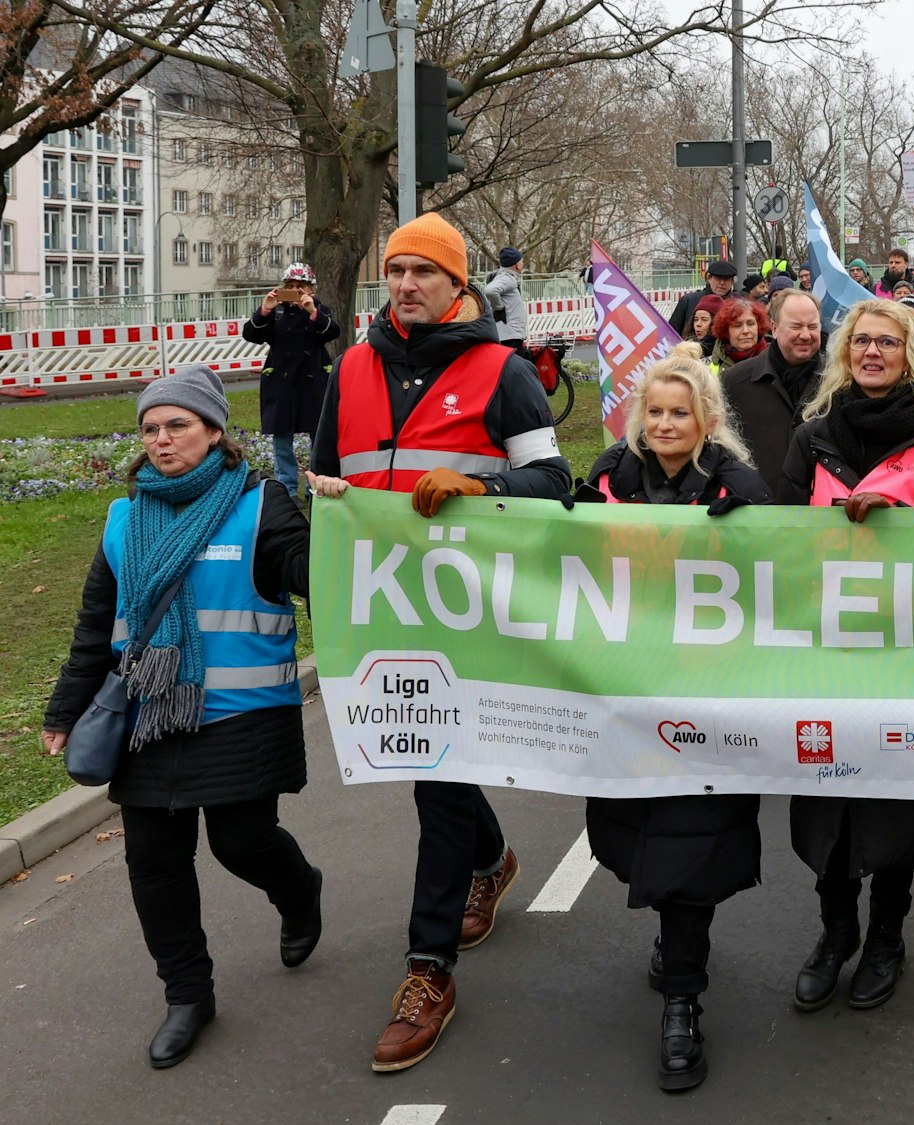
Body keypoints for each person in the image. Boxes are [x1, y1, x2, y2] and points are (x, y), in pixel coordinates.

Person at [306, 212, 571, 1073]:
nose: (408, 284)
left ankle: (429, 971)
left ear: (461, 286)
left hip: (469, 616)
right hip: (383, 618)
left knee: (434, 780)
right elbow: (323, 475)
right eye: (397, 270)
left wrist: (476, 482)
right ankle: (492, 860)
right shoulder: (349, 368)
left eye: (426, 270)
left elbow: (554, 482)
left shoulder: (504, 372)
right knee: (433, 770)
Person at [42, 365, 319, 1070]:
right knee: (154, 863)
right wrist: (66, 707)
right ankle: (188, 994)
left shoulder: (261, 502)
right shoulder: (125, 517)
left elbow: (308, 570)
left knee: (241, 841)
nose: (162, 440)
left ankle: (299, 889)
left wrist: (337, 528)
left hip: (241, 713)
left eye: (178, 425)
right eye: (150, 428)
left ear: (215, 431)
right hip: (149, 715)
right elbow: (95, 622)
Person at [572, 346, 767, 1092]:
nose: (663, 423)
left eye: (678, 412)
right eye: (653, 412)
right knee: (629, 839)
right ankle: (672, 944)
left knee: (689, 853)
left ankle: (684, 999)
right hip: (622, 701)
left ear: (706, 420)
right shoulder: (607, 482)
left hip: (703, 706)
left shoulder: (741, 489)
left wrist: (744, 529)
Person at [777, 299, 914, 1016]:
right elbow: (781, 538)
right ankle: (835, 932)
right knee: (828, 802)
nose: (873, 352)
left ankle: (888, 935)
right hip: (826, 654)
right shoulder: (813, 436)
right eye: (861, 341)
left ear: (910, 351)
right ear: (844, 352)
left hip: (908, 656)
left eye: (888, 341)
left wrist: (905, 531)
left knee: (897, 803)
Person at [242, 262, 339, 500]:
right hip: (281, 381)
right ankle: (287, 489)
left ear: (311, 289)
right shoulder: (276, 312)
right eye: (291, 286)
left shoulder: (319, 309)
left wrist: (311, 310)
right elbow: (251, 334)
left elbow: (332, 332)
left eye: (301, 287)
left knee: (319, 434)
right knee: (282, 436)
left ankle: (314, 486)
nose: (295, 291)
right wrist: (264, 310)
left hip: (313, 380)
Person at [722, 287, 824, 496]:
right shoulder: (734, 381)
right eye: (796, 326)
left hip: (823, 516)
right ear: (775, 328)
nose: (805, 335)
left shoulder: (840, 381)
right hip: (758, 512)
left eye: (812, 326)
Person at [670, 259, 738, 338]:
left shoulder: (739, 303)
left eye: (726, 279)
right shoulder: (689, 301)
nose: (722, 283)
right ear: (708, 278)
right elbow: (671, 333)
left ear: (732, 281)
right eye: (718, 278)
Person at [711, 297, 769, 371]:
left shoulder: (775, 359)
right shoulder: (709, 366)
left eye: (750, 324)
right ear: (726, 331)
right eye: (737, 325)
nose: (745, 331)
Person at [485, 247, 527, 348]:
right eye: (521, 261)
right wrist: (499, 307)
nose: (523, 263)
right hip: (510, 335)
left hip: (510, 334)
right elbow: (490, 290)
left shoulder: (506, 277)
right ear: (516, 264)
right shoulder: (507, 278)